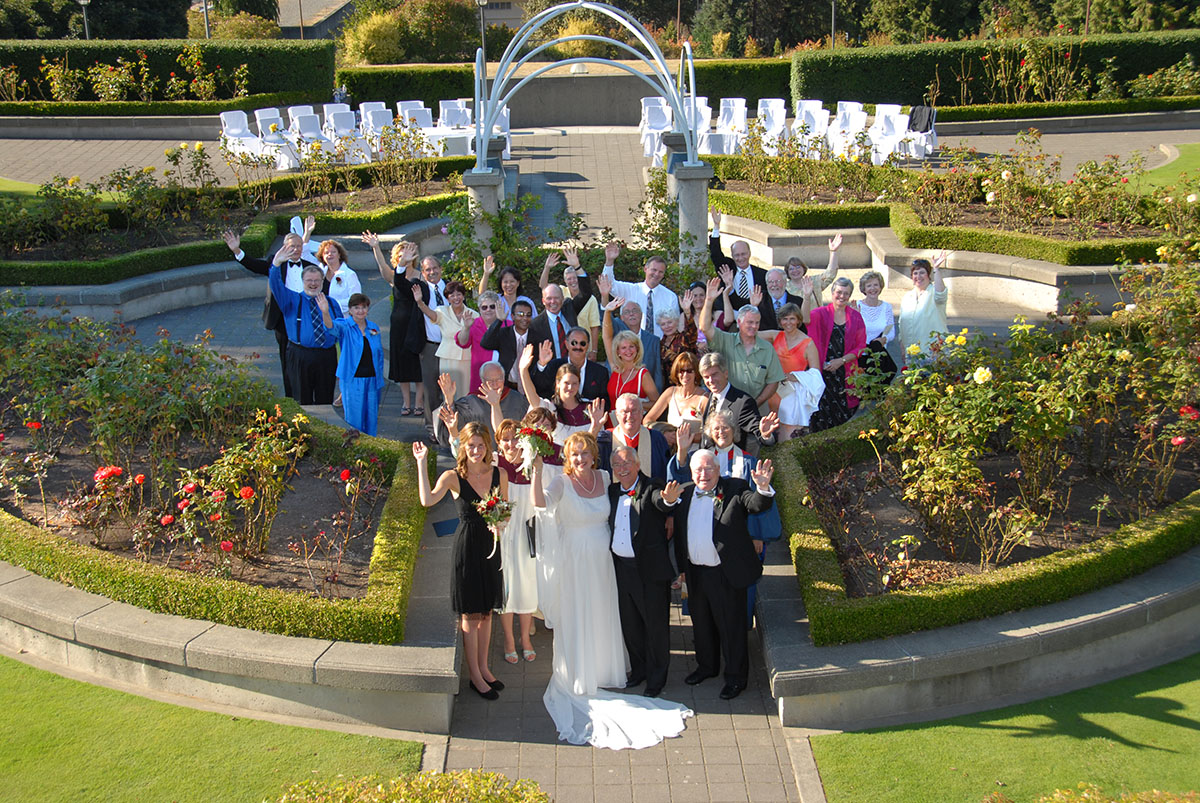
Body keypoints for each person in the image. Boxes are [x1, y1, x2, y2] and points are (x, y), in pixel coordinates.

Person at [531, 432, 692, 748]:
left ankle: (622, 671)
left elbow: (659, 500)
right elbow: (540, 503)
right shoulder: (561, 482)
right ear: (568, 458)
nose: (580, 459)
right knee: (588, 615)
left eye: (585, 453)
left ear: (594, 456)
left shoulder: (605, 478)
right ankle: (588, 671)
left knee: (609, 615)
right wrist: (536, 471)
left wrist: (669, 501)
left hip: (606, 563)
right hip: (576, 561)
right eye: (574, 454)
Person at [668, 448, 775, 700]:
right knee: (702, 624)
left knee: (731, 628)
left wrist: (762, 488)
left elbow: (755, 504)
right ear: (691, 473)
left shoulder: (735, 488)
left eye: (708, 468)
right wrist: (682, 570)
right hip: (695, 573)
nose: (703, 474)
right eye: (698, 469)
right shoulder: (685, 493)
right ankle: (707, 667)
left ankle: (736, 678)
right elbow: (681, 536)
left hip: (725, 573)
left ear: (718, 470)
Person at [413, 426, 507, 700]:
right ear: (463, 446)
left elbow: (504, 509)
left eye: (481, 445)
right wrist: (421, 463)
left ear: (488, 446)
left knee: (487, 612)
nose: (476, 451)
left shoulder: (499, 474)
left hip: (491, 547)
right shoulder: (453, 477)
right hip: (467, 549)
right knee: (470, 615)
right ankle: (474, 676)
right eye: (471, 445)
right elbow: (427, 500)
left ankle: (484, 668)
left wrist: (500, 523)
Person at [670, 414, 782, 625]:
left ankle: (738, 628)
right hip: (703, 538)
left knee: (735, 599)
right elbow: (680, 481)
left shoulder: (747, 461)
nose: (721, 432)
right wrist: (682, 451)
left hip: (736, 539)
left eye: (725, 428)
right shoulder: (701, 459)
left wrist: (756, 535)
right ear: (710, 433)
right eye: (716, 429)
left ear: (734, 431)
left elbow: (753, 501)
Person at [608, 444, 676, 698]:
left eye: (627, 463)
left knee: (655, 626)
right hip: (621, 569)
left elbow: (662, 501)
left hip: (649, 570)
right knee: (631, 624)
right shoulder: (612, 491)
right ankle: (639, 670)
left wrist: (668, 500)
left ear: (637, 464)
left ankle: (656, 679)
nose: (622, 468)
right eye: (617, 465)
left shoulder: (651, 486)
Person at [222, 227, 323, 399]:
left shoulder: (311, 268)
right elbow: (254, 265)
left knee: (307, 356)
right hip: (283, 319)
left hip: (307, 319)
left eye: (299, 246)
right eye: (292, 246)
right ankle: (291, 398)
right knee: (286, 358)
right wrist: (237, 250)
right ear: (284, 247)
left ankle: (308, 393)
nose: (296, 249)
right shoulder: (275, 263)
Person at [698, 277, 785, 410]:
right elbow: (705, 327)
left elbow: (773, 382)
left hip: (757, 412)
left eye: (757, 322)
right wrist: (709, 300)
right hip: (727, 411)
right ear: (739, 322)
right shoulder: (725, 340)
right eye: (750, 322)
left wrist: (755, 403)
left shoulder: (767, 349)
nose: (754, 326)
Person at [364, 233, 424, 417]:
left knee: (418, 364)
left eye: (408, 253)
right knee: (402, 364)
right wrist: (376, 247)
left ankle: (419, 401)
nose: (404, 257)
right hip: (398, 325)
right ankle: (406, 401)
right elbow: (382, 267)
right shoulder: (394, 276)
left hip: (417, 324)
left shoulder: (421, 276)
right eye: (401, 254)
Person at [495, 419, 539, 665]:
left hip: (527, 531)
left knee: (527, 585)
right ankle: (509, 640)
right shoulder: (494, 464)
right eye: (505, 440)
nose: (511, 444)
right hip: (503, 532)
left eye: (515, 439)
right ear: (498, 443)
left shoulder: (532, 463)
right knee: (506, 587)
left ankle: (525, 638)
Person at [268, 262, 342, 404]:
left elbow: (339, 331)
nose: (313, 284)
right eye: (309, 280)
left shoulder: (332, 303)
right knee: (302, 399)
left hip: (326, 356)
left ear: (322, 281)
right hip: (300, 354)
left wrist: (325, 312)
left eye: (317, 280)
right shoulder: (291, 300)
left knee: (325, 399)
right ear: (303, 281)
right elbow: (275, 284)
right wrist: (276, 264)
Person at [801, 276, 868, 432]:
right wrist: (806, 296)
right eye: (839, 292)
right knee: (819, 416)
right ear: (832, 293)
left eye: (846, 293)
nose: (842, 296)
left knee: (843, 416)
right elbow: (804, 319)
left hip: (844, 373)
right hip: (822, 372)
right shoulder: (821, 313)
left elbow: (860, 347)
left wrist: (841, 361)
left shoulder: (856, 317)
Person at [316, 292, 384, 436]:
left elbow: (379, 355)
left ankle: (371, 447)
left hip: (372, 380)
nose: (360, 311)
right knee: (355, 421)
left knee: (371, 419)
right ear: (350, 310)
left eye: (363, 307)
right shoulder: (345, 326)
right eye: (356, 308)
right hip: (353, 380)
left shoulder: (373, 328)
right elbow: (330, 327)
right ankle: (355, 447)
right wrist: (325, 312)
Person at [756, 300, 822, 440]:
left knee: (787, 435)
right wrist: (754, 306)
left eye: (792, 318)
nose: (788, 322)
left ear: (798, 320)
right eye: (785, 319)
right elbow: (750, 333)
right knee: (768, 431)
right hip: (772, 391)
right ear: (780, 321)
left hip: (791, 394)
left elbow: (816, 374)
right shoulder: (775, 336)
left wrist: (795, 376)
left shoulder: (808, 343)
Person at [518, 343, 606, 445]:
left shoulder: (590, 408)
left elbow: (596, 445)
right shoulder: (549, 408)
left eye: (574, 383)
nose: (570, 387)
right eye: (566, 383)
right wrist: (523, 371)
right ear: (558, 383)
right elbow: (532, 397)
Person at [696, 352, 779, 455]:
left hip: (734, 461)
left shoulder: (743, 402)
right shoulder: (711, 398)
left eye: (714, 374)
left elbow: (757, 430)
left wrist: (766, 435)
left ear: (726, 373)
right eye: (706, 377)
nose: (711, 380)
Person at [434, 362, 526, 450]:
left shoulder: (517, 399)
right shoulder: (470, 402)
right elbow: (453, 430)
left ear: (504, 378)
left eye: (498, 379)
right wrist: (449, 399)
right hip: (480, 456)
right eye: (490, 381)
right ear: (482, 381)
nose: (494, 384)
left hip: (512, 454)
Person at [599, 242, 681, 338]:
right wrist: (609, 261)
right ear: (645, 269)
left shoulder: (670, 297)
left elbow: (675, 326)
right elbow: (608, 284)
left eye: (661, 272)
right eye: (654, 270)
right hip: (631, 344)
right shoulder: (630, 290)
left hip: (659, 344)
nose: (656, 274)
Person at [600, 278, 665, 393]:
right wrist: (605, 297)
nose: (631, 314)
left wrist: (658, 398)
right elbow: (606, 322)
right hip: (617, 389)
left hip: (645, 394)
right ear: (621, 317)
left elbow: (657, 373)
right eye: (626, 312)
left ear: (641, 314)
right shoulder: (617, 332)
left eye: (635, 311)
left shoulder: (653, 340)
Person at [414, 279, 474, 401]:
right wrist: (420, 302)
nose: (456, 298)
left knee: (465, 393)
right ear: (447, 298)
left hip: (466, 358)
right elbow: (431, 314)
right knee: (448, 394)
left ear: (463, 296)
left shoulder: (473, 314)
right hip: (447, 359)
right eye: (452, 295)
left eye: (459, 294)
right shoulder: (442, 311)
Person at [541, 248, 601, 357]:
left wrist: (594, 350)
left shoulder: (590, 299)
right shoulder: (561, 293)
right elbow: (544, 288)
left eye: (575, 278)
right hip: (561, 348)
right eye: (569, 279)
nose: (573, 281)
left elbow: (594, 327)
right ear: (565, 281)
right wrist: (547, 268)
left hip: (582, 347)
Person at [602, 299, 660, 411]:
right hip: (612, 420)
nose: (628, 351)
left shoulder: (643, 374)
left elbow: (656, 403)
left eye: (631, 346)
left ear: (637, 349)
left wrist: (637, 404)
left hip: (633, 420)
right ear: (618, 352)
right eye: (623, 348)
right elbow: (607, 337)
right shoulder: (615, 369)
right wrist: (607, 312)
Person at [527, 326, 609, 403]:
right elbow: (539, 388)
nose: (578, 346)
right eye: (574, 343)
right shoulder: (555, 366)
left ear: (588, 345)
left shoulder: (600, 372)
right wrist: (541, 364)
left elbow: (605, 402)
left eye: (582, 343)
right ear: (566, 344)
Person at [529, 264, 593, 360]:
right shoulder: (535, 325)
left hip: (574, 364)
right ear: (543, 301)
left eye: (556, 298)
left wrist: (577, 266)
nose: (553, 302)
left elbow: (585, 293)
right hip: (552, 366)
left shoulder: (569, 308)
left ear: (563, 299)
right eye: (549, 298)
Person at [598, 393, 670, 478]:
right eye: (625, 412)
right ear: (617, 414)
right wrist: (594, 428)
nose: (630, 416)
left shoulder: (656, 438)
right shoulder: (606, 440)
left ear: (642, 413)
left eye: (634, 411)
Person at [709, 208, 766, 311]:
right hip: (730, 314)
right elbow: (715, 254)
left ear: (749, 253)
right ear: (732, 255)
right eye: (737, 255)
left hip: (754, 315)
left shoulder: (762, 274)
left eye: (743, 254)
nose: (740, 258)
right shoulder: (727, 269)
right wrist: (716, 226)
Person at [898, 252, 950, 363]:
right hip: (912, 354)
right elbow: (901, 324)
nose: (918, 276)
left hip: (933, 353)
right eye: (915, 273)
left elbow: (941, 294)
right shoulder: (907, 297)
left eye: (922, 272)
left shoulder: (934, 292)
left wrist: (936, 269)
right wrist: (903, 349)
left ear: (928, 275)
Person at [644, 352, 707, 436]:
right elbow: (647, 420)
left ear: (696, 372)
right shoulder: (670, 392)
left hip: (694, 444)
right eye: (681, 371)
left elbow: (710, 433)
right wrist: (663, 433)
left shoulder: (704, 398)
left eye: (689, 371)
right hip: (669, 444)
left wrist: (686, 437)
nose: (685, 375)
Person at [458, 278, 503, 394]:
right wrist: (466, 328)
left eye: (492, 306)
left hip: (502, 378)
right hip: (480, 378)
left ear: (498, 307)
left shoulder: (507, 324)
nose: (488, 310)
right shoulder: (474, 324)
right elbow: (462, 343)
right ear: (479, 309)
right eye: (484, 307)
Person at [855, 270, 898, 386]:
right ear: (864, 289)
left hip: (879, 356)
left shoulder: (887, 307)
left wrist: (883, 340)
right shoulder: (857, 306)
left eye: (876, 285)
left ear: (880, 287)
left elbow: (891, 331)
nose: (873, 288)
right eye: (869, 286)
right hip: (862, 355)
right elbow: (851, 332)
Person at [481, 298, 534, 389]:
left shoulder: (537, 337)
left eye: (528, 315)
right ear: (512, 316)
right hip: (508, 386)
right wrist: (499, 321)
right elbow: (485, 343)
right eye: (520, 314)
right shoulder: (504, 334)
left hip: (530, 386)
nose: (525, 318)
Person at [784, 233, 843, 308]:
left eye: (798, 267)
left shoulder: (813, 281)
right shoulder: (784, 287)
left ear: (803, 268)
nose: (795, 270)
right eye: (791, 268)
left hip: (816, 315)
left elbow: (830, 273)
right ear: (787, 272)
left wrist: (833, 251)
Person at [315, 239, 362, 313]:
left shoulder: (349, 274)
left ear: (339, 255)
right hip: (321, 315)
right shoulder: (319, 273)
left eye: (333, 252)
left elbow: (356, 299)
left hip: (342, 316)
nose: (330, 254)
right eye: (326, 253)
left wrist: (332, 304)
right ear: (322, 256)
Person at [659, 291, 700, 375]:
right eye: (663, 324)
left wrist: (687, 312)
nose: (667, 326)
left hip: (686, 378)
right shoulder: (660, 343)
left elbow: (692, 332)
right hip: (666, 382)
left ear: (676, 322)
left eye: (670, 322)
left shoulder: (684, 338)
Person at [757, 267, 804, 331]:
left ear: (785, 282)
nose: (774, 284)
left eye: (778, 281)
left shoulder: (798, 302)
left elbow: (803, 325)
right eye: (770, 282)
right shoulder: (760, 300)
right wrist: (754, 306)